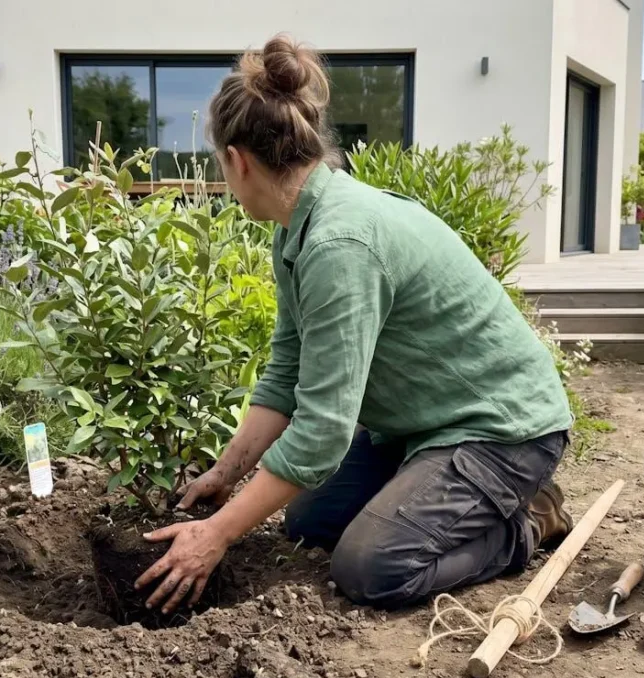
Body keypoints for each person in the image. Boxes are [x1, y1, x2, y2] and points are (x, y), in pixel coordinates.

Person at [134, 34, 574, 615]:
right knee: (309, 520)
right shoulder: (297, 227)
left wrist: (216, 533)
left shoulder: (340, 243)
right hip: (422, 425)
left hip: (501, 430)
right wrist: (226, 473)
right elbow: (288, 371)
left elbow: (320, 432)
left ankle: (529, 520)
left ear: (237, 160)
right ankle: (442, 490)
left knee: (372, 566)